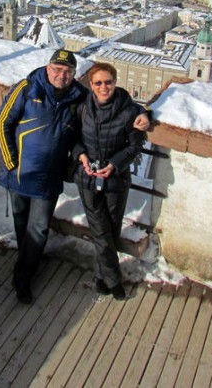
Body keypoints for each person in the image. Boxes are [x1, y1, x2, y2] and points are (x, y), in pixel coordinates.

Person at [0, 50, 148, 304]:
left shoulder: (79, 97)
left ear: (75, 74)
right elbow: (2, 123)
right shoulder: (27, 87)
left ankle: (23, 277)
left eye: (67, 71)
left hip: (49, 176)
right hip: (20, 174)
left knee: (39, 228)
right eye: (57, 69)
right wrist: (11, 163)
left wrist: (146, 112)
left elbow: (114, 101)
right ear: (47, 67)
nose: (61, 75)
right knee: (22, 225)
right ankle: (27, 262)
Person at [72, 62, 146, 301]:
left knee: (110, 229)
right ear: (91, 85)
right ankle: (114, 281)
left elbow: (135, 145)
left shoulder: (130, 110)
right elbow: (71, 137)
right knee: (101, 230)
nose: (104, 87)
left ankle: (102, 278)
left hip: (116, 179)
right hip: (88, 177)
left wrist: (113, 164)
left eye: (109, 82)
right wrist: (82, 156)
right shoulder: (82, 108)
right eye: (98, 83)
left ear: (116, 82)